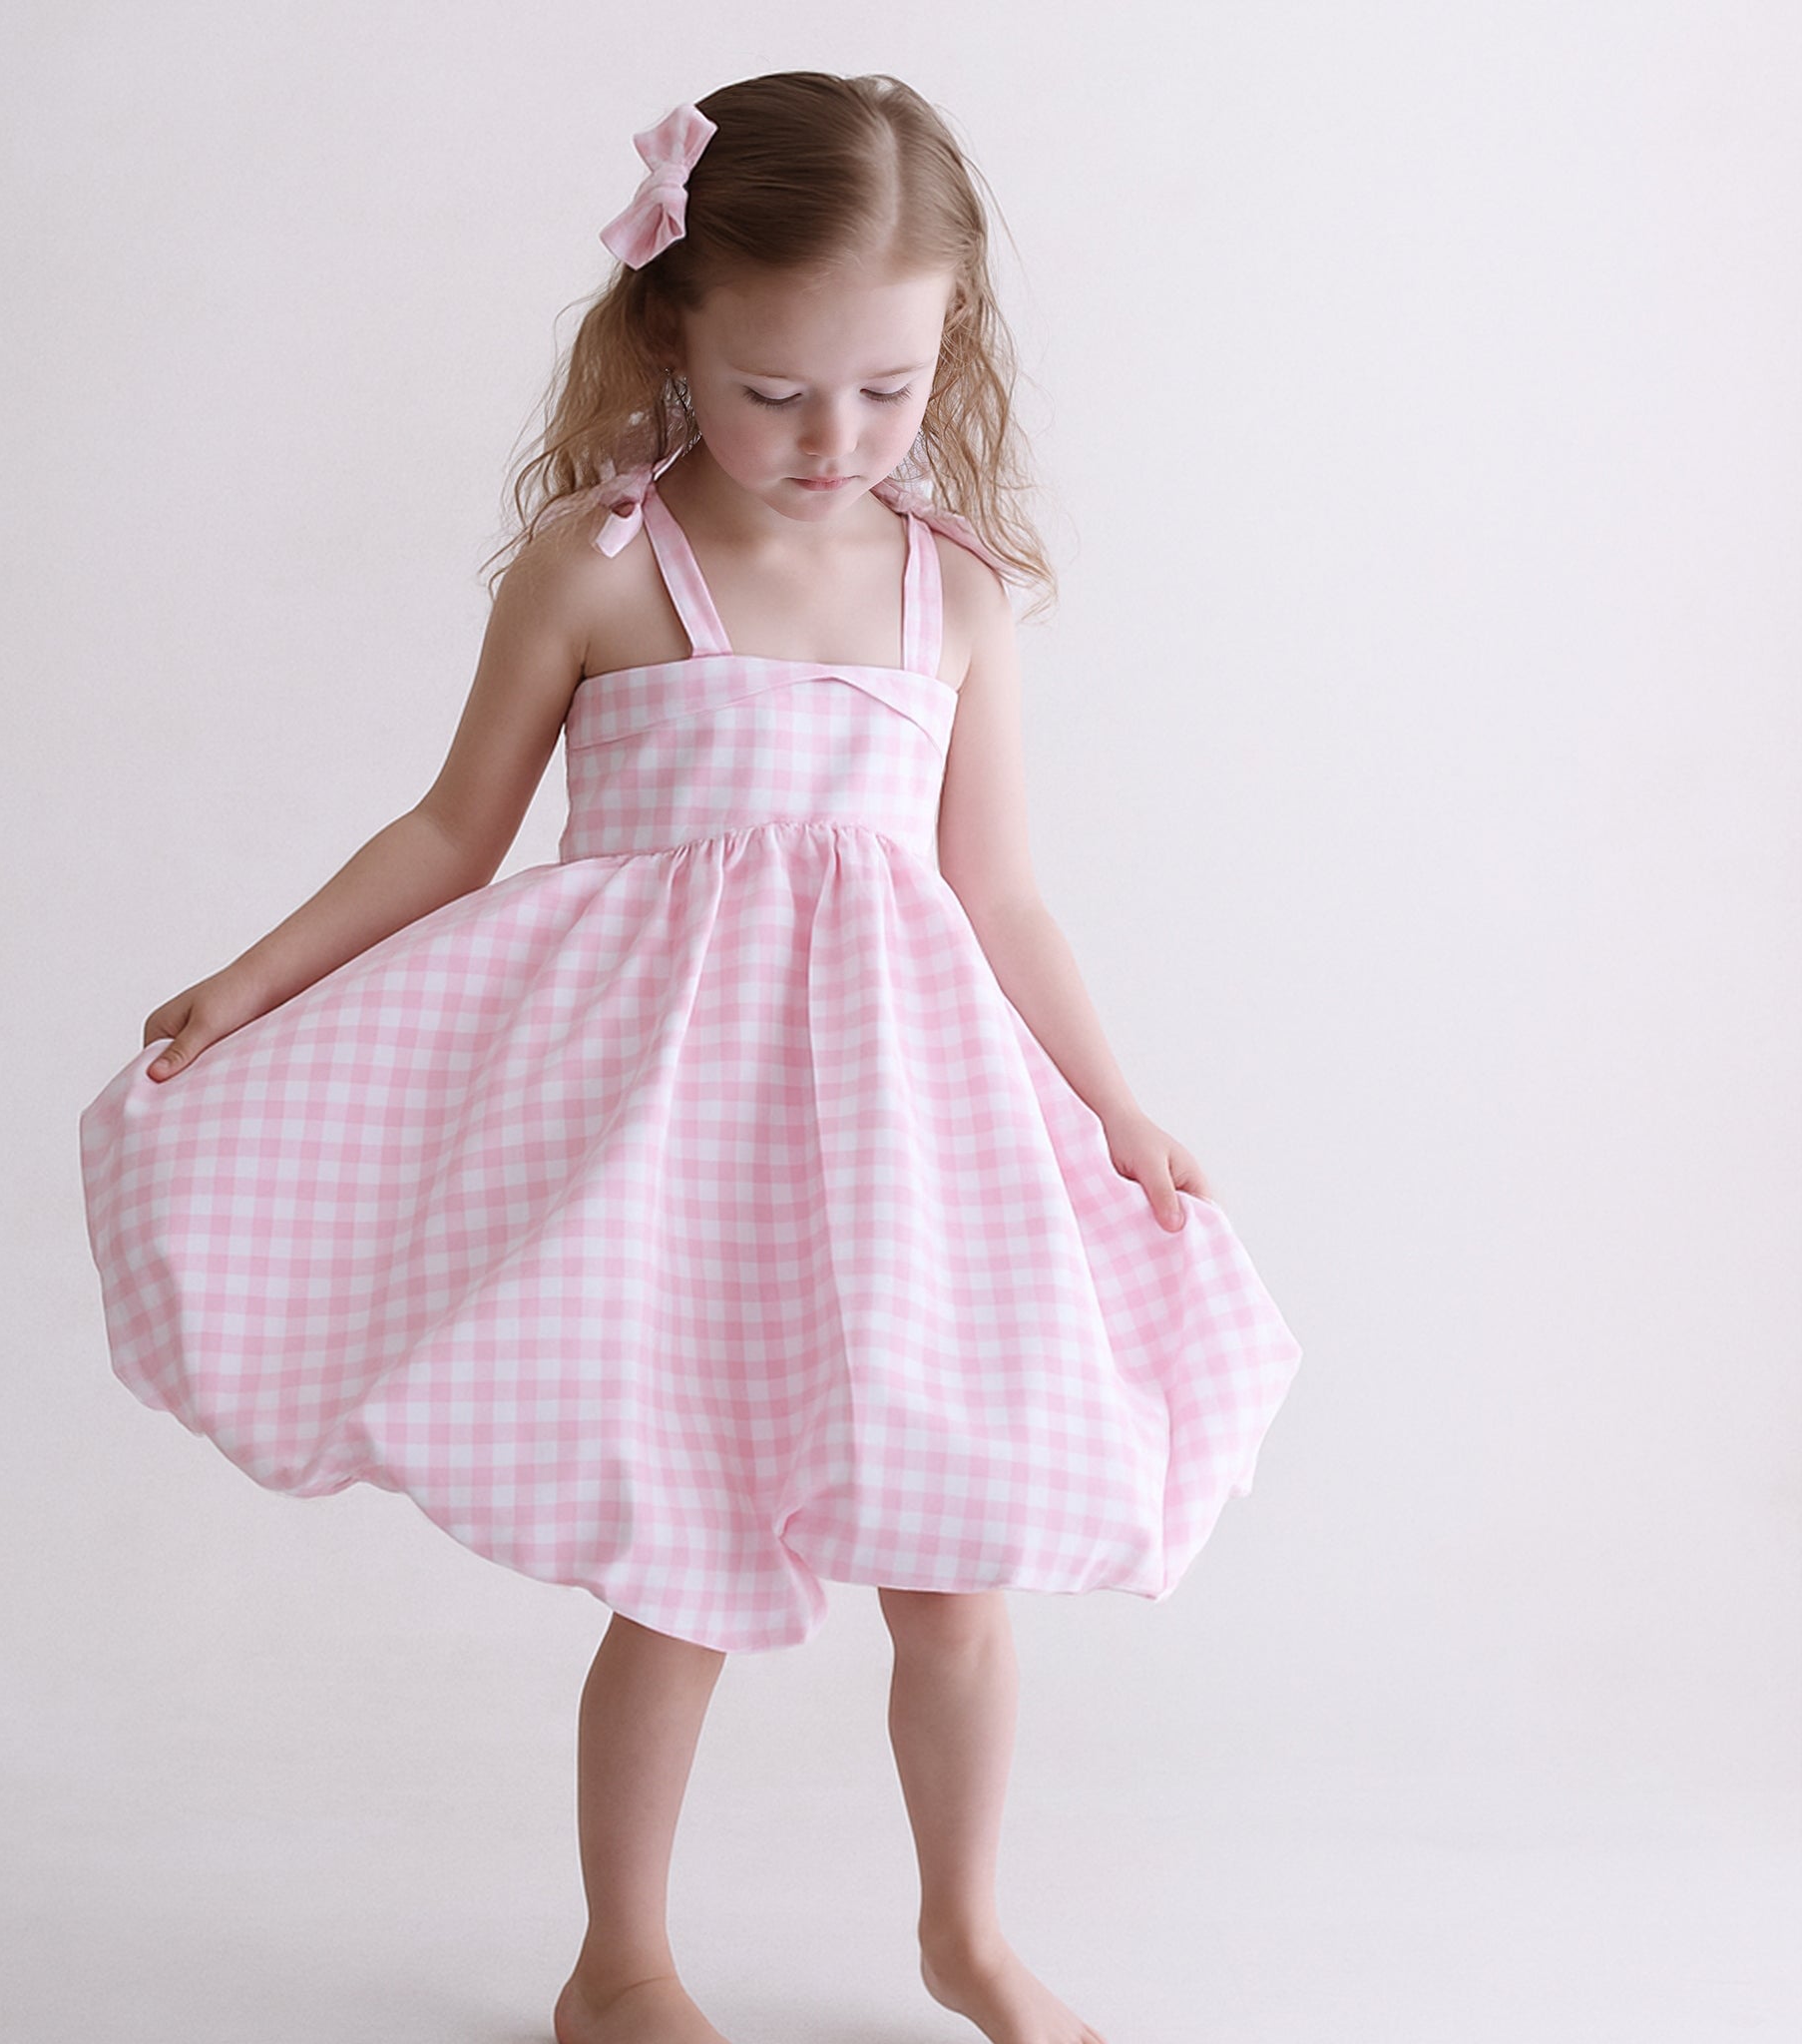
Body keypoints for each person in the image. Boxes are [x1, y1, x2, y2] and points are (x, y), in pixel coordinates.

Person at [79, 70, 1303, 2044]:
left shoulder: (950, 593)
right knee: (681, 1561)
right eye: (777, 392)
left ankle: (967, 1934)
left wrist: (1117, 1106)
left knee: (957, 1570)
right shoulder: (600, 566)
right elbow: (451, 833)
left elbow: (997, 893)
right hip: (675, 1150)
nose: (835, 441)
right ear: (671, 331)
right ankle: (619, 1965)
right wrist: (254, 979)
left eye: (887, 390)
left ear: (950, 350)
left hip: (904, 1146)